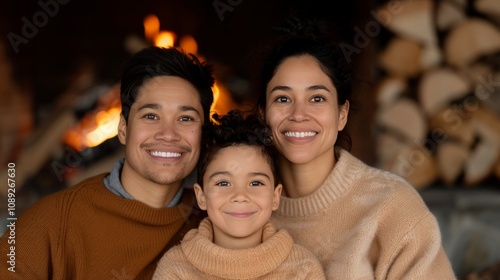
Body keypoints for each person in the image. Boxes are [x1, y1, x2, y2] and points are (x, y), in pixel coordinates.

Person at [254, 29, 457, 279]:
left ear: (342, 114)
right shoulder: (240, 207)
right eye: (283, 99)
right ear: (263, 114)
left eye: (317, 98)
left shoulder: (392, 207)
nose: (298, 114)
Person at [0, 46, 214, 279]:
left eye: (186, 118)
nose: (168, 134)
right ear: (122, 129)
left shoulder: (217, 220)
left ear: (203, 134)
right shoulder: (48, 226)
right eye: (151, 116)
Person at [153, 110, 326, 280]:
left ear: (275, 197)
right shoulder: (175, 269)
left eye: (256, 183)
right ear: (202, 197)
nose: (240, 195)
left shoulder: (303, 269)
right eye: (223, 183)